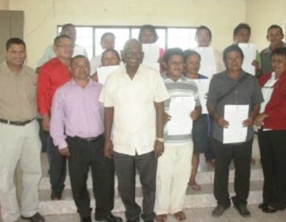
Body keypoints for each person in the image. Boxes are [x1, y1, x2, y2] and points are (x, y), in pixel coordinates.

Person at [0, 38, 44, 222]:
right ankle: (10, 215)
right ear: (6, 53)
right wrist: (0, 116)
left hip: (30, 128)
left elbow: (39, 101)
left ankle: (30, 210)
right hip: (5, 129)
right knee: (5, 175)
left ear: (25, 54)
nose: (18, 55)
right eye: (13, 51)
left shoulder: (32, 75)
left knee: (33, 171)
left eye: (21, 51)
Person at [99, 39, 170, 222]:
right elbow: (108, 109)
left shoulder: (153, 76)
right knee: (125, 186)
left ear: (142, 55)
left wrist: (159, 139)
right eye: (129, 51)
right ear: (122, 54)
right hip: (121, 143)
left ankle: (148, 215)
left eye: (137, 51)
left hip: (147, 141)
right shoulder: (113, 78)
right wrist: (107, 140)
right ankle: (132, 213)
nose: (133, 54)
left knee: (149, 184)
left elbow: (159, 108)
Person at [50, 55, 122, 222]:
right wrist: (60, 142)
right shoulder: (62, 92)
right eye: (77, 65)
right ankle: (84, 213)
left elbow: (109, 115)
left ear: (90, 67)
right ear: (70, 68)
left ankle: (104, 214)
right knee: (78, 182)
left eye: (85, 65)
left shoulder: (101, 89)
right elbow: (56, 119)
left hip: (100, 142)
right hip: (76, 144)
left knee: (105, 180)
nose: (82, 68)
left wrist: (110, 139)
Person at [207, 44, 263, 218]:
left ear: (242, 60)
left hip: (243, 133)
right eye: (230, 58)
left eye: (237, 57)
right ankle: (222, 201)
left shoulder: (251, 80)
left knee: (243, 169)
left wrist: (252, 117)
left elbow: (257, 102)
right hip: (221, 132)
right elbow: (210, 105)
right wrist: (218, 118)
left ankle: (241, 201)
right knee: (221, 169)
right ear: (224, 61)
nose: (233, 61)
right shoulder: (216, 80)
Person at [254, 47, 286, 213]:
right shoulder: (267, 77)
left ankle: (279, 202)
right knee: (267, 165)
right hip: (265, 128)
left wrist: (265, 115)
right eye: (274, 60)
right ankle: (268, 198)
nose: (276, 64)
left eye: (280, 61)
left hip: (284, 129)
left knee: (280, 166)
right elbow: (254, 93)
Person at [154, 48, 201, 222]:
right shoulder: (157, 84)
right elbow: (149, 109)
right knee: (163, 174)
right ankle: (161, 209)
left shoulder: (191, 84)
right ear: (165, 64)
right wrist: (159, 117)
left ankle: (177, 207)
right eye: (174, 62)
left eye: (181, 62)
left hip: (185, 138)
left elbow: (198, 105)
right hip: (165, 138)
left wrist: (196, 112)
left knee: (183, 173)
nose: (178, 66)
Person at [37, 34, 74, 200]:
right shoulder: (48, 67)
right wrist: (45, 116)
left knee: (76, 154)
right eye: (63, 45)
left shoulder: (77, 65)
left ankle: (78, 187)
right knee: (56, 155)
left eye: (70, 45)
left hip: (75, 119)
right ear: (55, 48)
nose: (67, 48)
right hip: (55, 118)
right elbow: (42, 93)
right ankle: (57, 188)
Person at [182, 50, 213, 192]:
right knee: (181, 150)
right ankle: (179, 178)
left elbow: (213, 102)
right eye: (191, 62)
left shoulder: (205, 80)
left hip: (200, 118)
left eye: (197, 62)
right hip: (181, 118)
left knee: (195, 150)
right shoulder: (179, 79)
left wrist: (210, 96)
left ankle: (192, 178)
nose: (195, 65)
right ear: (184, 64)